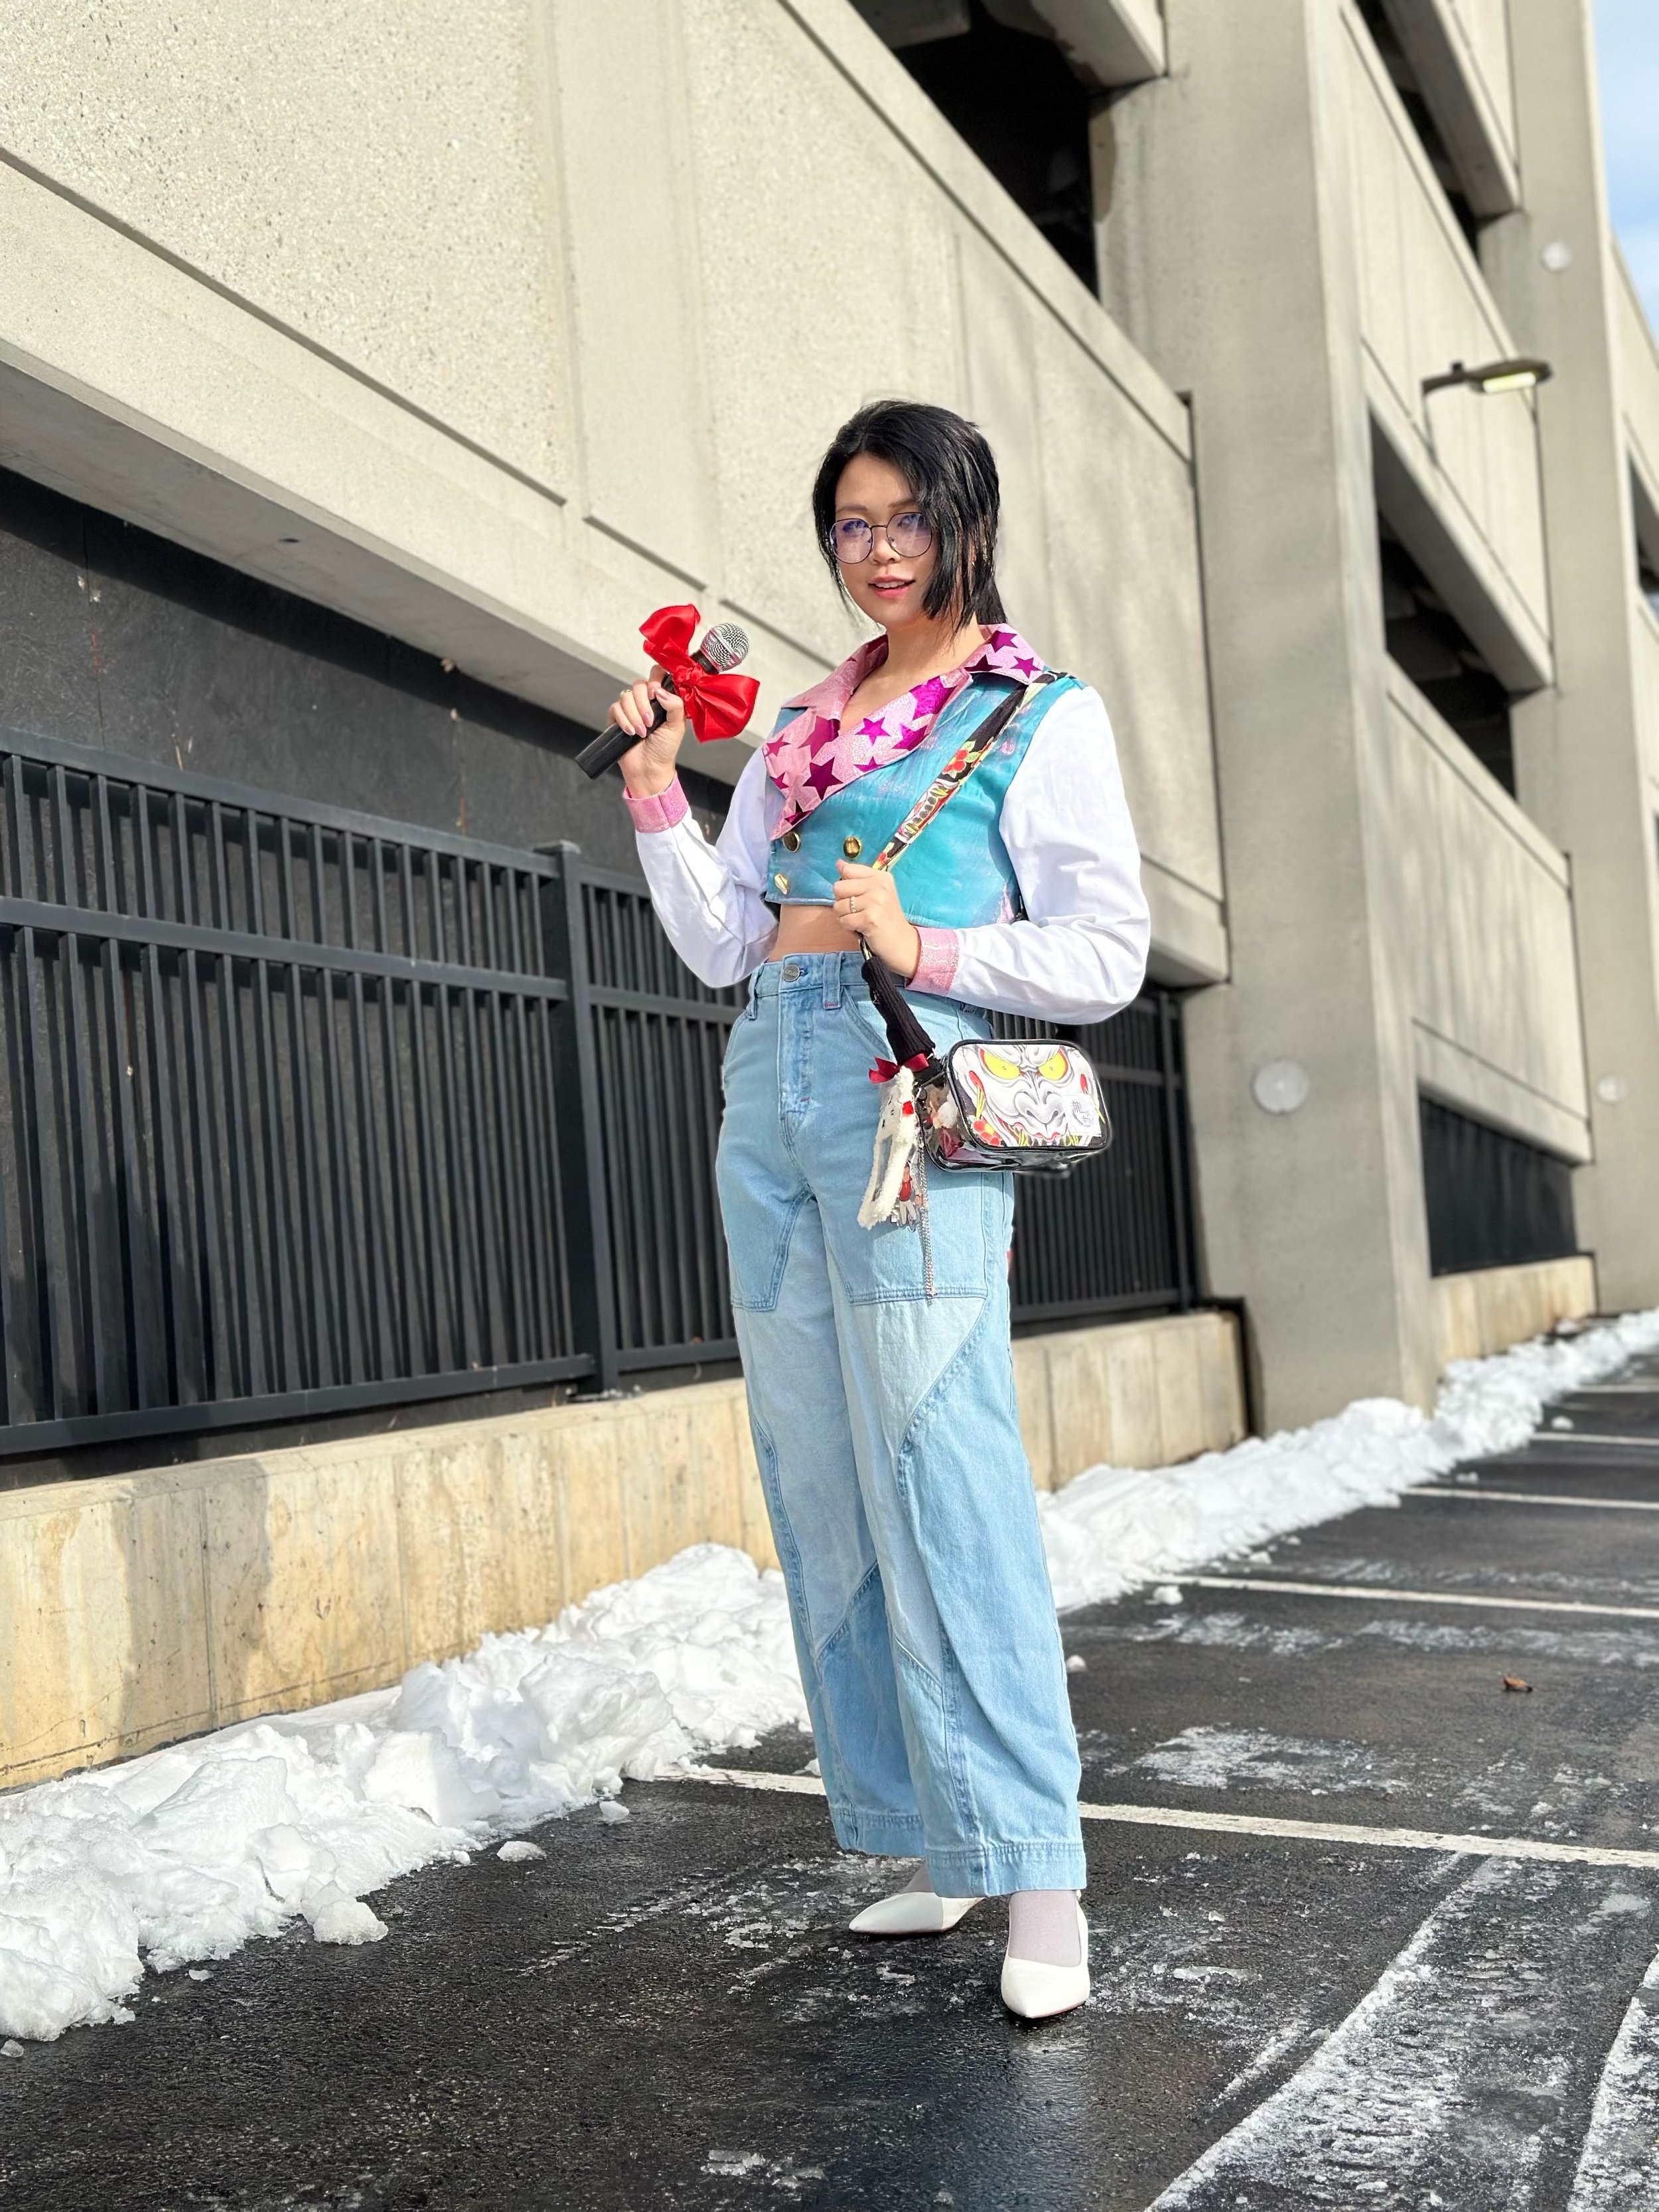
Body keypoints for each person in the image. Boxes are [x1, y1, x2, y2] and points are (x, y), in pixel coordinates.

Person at [604, 400, 1149, 2020]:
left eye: (906, 518)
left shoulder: (1033, 713)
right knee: (821, 1467)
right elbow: (725, 939)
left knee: (939, 1459)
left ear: (966, 520)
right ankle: (933, 1829)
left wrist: (926, 946)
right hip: (769, 1078)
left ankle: (1036, 1865)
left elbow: (1104, 950)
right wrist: (657, 791)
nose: (877, 550)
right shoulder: (796, 726)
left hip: (905, 1083)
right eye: (850, 523)